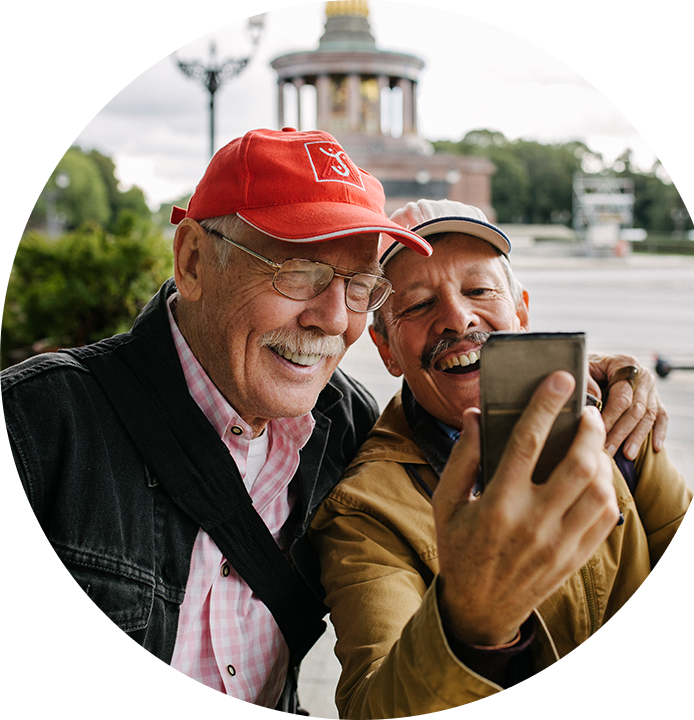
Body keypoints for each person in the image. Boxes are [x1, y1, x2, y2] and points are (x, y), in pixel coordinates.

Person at [0, 128, 434, 720]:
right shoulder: (34, 430)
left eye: (358, 286)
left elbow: (463, 445)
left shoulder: (347, 425)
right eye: (300, 271)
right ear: (193, 261)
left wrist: (592, 383)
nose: (334, 320)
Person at [310, 199, 694, 720]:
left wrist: (611, 709)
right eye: (416, 304)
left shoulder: (613, 419)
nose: (457, 318)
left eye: (479, 290)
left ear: (521, 311)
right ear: (386, 349)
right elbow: (375, 705)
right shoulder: (367, 511)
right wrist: (466, 620)